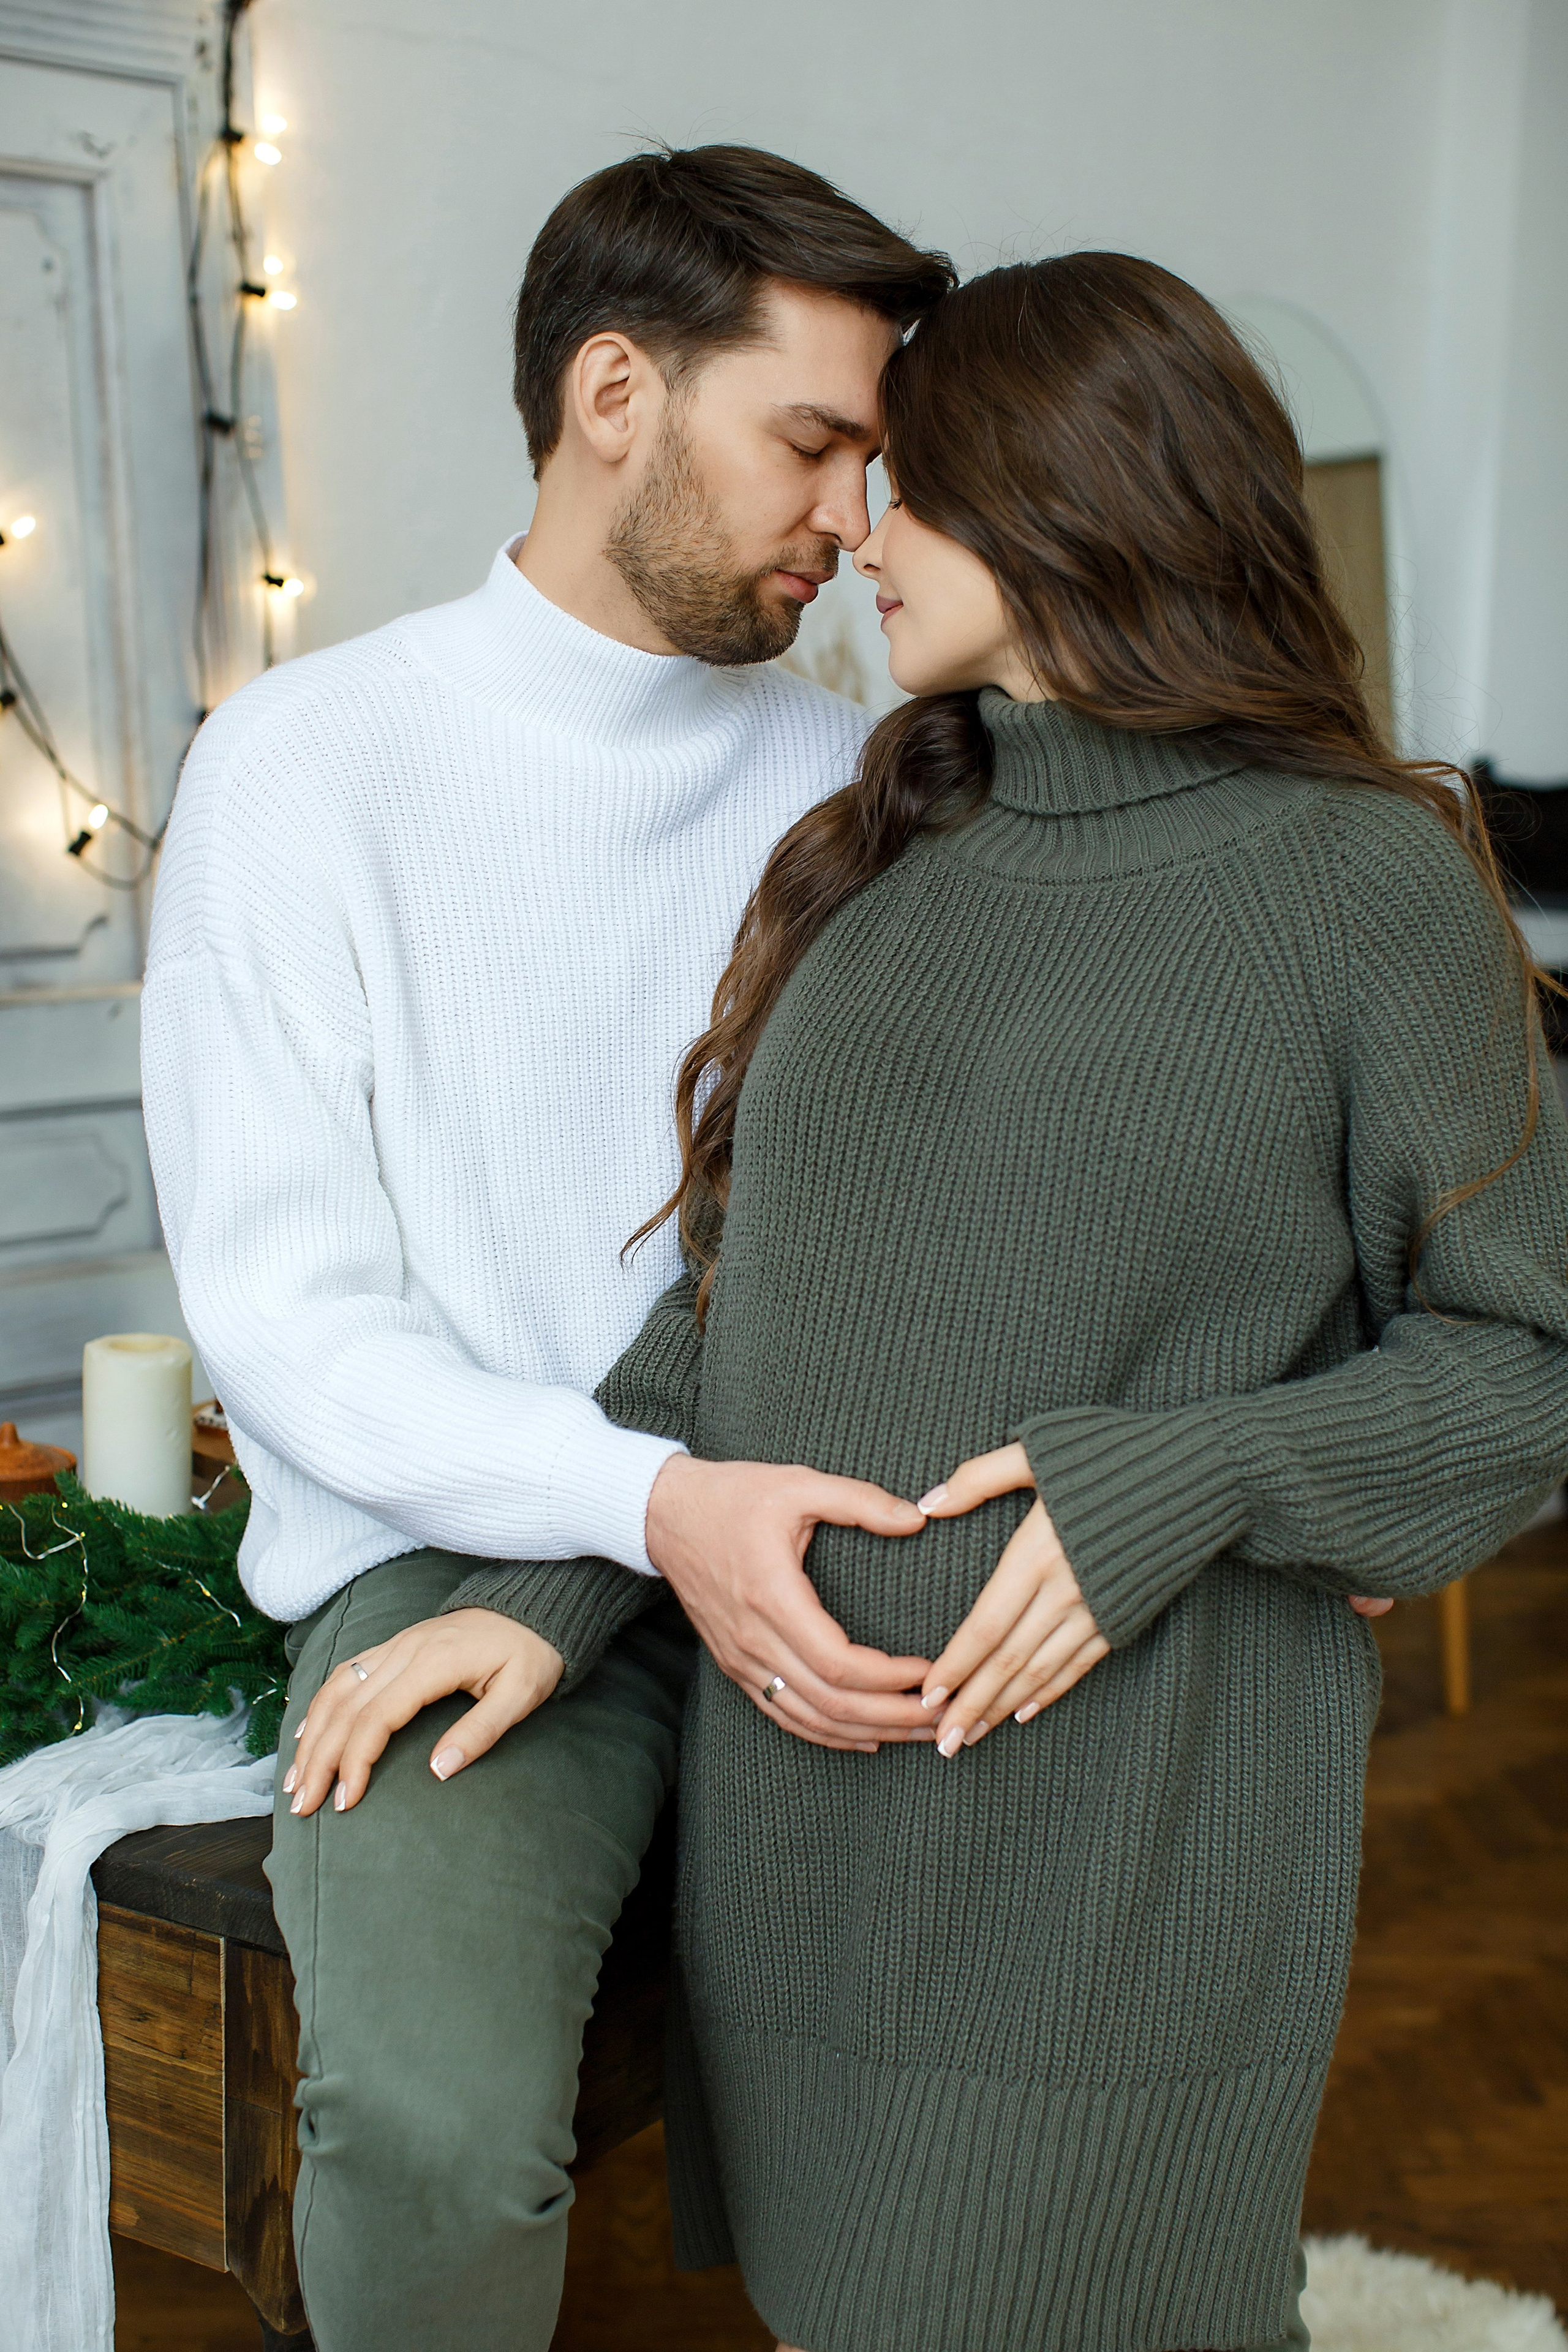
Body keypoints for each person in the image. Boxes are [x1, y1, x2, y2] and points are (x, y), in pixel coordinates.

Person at [386, 256, 1568, 2351]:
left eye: (906, 481)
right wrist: (549, 1592)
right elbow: (733, 1305)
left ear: (1065, 493)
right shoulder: (888, 846)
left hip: (1120, 1847)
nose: (856, 530)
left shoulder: (1367, 879)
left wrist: (1182, 1484)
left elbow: (1531, 1356)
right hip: (806, 1841)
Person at [141, 145, 956, 2352]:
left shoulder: (871, 780)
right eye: (813, 441)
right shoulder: (301, 767)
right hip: (449, 1557)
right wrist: (638, 1508)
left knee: (1003, 2055)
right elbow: (289, 1326)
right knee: (426, 2127)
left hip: (840, 1521)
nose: (854, 517)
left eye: (875, 464)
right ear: (614, 395)